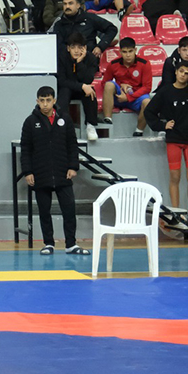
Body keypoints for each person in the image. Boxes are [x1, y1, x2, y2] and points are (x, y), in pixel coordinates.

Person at [21, 85, 87, 257]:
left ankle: (71, 244)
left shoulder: (65, 118)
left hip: (63, 173)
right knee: (44, 211)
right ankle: (48, 243)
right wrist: (28, 171)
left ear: (54, 100)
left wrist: (73, 166)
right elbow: (26, 149)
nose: (45, 104)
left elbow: (72, 144)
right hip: (40, 174)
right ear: (37, 101)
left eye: (48, 100)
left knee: (69, 210)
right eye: (42, 100)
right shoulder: (30, 122)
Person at [146, 60, 188, 209]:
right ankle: (176, 212)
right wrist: (162, 125)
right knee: (175, 177)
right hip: (173, 140)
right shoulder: (165, 92)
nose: (183, 75)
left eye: (187, 73)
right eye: (181, 71)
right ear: (175, 72)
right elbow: (149, 111)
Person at [101, 36, 153, 137]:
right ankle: (108, 119)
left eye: (130, 51)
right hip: (119, 96)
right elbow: (104, 83)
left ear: (135, 50)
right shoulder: (113, 64)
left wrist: (129, 97)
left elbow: (147, 87)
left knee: (147, 102)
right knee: (109, 85)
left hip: (136, 96)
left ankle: (139, 130)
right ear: (120, 52)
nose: (128, 55)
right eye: (124, 52)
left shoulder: (144, 63)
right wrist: (121, 86)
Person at [58, 32, 101, 141]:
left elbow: (88, 80)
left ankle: (91, 125)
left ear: (85, 48)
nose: (76, 51)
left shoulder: (91, 58)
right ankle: (63, 126)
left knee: (90, 91)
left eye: (80, 47)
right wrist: (81, 86)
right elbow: (62, 81)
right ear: (68, 48)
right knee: (64, 91)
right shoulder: (62, 57)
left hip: (82, 89)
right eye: (73, 47)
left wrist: (79, 63)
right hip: (67, 88)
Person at [49, 0, 116, 57]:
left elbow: (112, 29)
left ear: (78, 5)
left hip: (89, 58)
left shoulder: (90, 18)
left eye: (70, 3)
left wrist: (100, 47)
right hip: (67, 60)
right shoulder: (59, 24)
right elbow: (58, 45)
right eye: (65, 4)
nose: (67, 6)